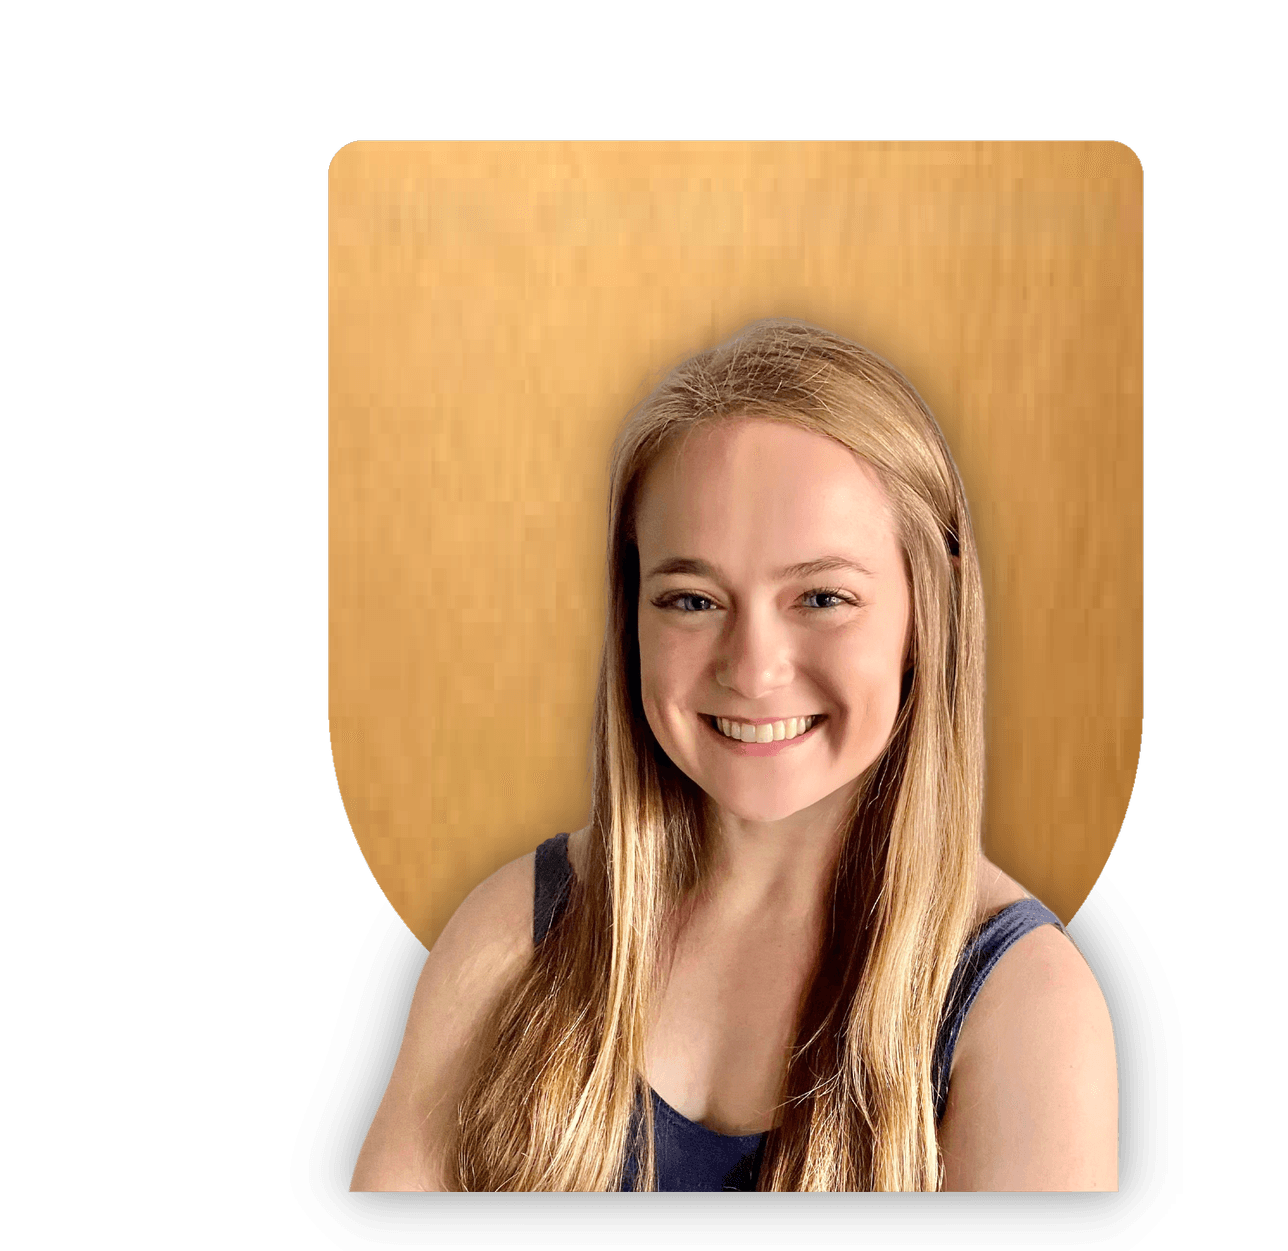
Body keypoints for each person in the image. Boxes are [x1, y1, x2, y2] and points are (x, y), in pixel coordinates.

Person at [350, 320, 1118, 1192]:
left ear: (925, 618)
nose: (752, 670)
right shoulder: (514, 933)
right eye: (690, 599)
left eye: (823, 596)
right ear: (629, 616)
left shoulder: (1027, 1007)